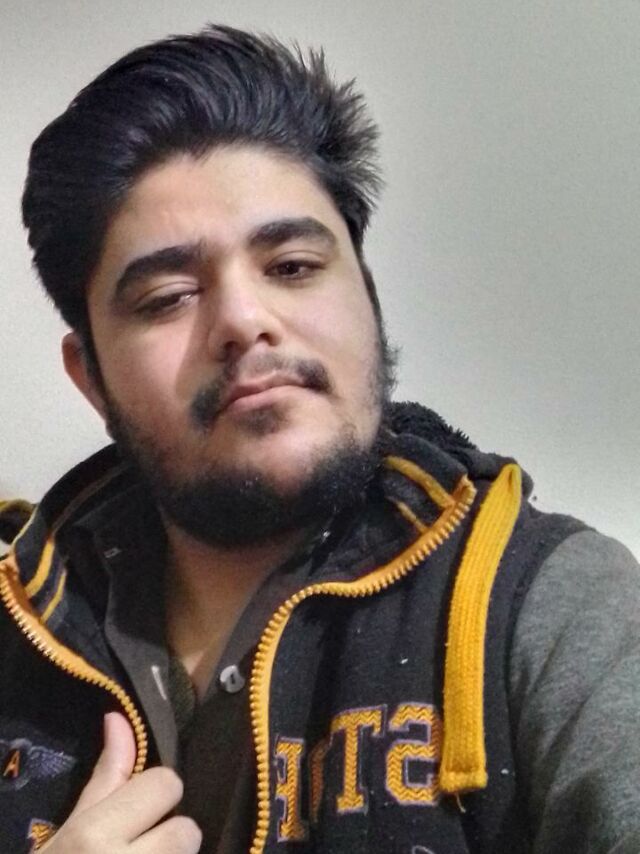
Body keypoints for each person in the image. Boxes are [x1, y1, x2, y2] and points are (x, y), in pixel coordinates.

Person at [1, 24, 638, 854]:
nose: (244, 320)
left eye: (293, 267)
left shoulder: (550, 608)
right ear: (90, 376)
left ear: (366, 296)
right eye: (167, 298)